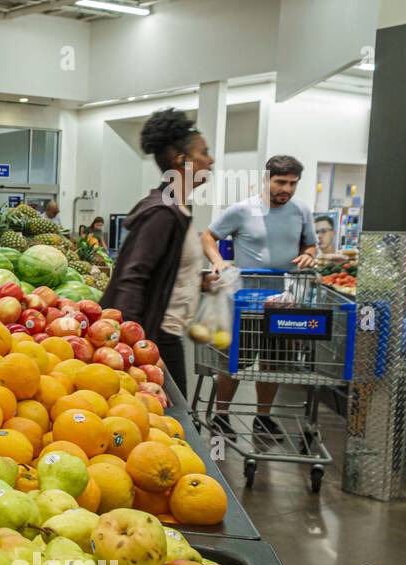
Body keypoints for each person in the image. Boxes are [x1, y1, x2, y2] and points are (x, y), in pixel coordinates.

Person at [202, 155, 317, 439]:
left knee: (272, 362)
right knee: (234, 361)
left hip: (283, 299)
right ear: (266, 180)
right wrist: (218, 261)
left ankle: (262, 418)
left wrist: (308, 255)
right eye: (281, 182)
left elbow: (311, 244)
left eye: (292, 183)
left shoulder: (302, 211)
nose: (287, 189)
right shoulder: (242, 210)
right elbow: (208, 236)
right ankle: (222, 415)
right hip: (244, 299)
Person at [99, 108, 215, 389]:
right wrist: (130, 346)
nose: (210, 161)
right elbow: (133, 277)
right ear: (183, 160)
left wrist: (199, 281)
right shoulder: (162, 213)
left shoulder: (177, 208)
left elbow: (163, 270)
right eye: (204, 153)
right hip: (155, 336)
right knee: (173, 423)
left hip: (165, 332)